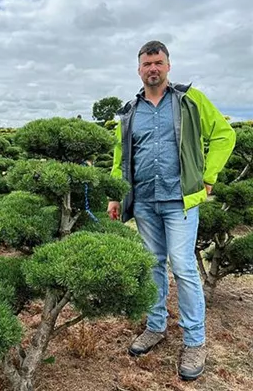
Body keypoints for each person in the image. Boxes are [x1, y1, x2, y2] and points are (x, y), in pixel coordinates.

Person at [107, 40, 235, 381]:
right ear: (139, 69)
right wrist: (115, 195)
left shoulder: (190, 101)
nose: (153, 69)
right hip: (145, 201)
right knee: (152, 266)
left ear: (168, 65)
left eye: (158, 63)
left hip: (180, 200)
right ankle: (155, 326)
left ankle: (195, 341)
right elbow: (121, 156)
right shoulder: (129, 111)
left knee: (183, 268)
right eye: (147, 64)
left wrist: (209, 176)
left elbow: (224, 135)